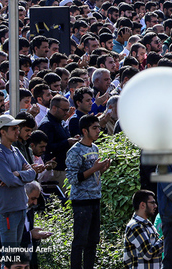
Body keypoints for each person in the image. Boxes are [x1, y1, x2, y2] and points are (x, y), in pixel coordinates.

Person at [66, 114, 111, 269]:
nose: (98, 130)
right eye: (94, 128)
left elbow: (93, 175)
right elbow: (73, 178)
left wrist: (101, 170)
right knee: (80, 240)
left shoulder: (95, 148)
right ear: (85, 131)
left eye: (99, 127)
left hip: (95, 198)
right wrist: (94, 169)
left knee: (93, 241)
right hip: (81, 201)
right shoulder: (75, 151)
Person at [0, 114, 38, 246]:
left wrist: (17, 174)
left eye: (17, 128)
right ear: (2, 132)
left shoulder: (15, 150)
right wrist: (18, 176)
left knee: (17, 256)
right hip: (7, 211)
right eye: (13, 129)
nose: (17, 131)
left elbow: (32, 174)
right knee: (10, 256)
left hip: (20, 207)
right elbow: (10, 181)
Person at [124, 189, 164, 269]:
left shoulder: (147, 224)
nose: (155, 206)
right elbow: (148, 253)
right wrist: (167, 238)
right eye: (152, 203)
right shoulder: (135, 226)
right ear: (142, 205)